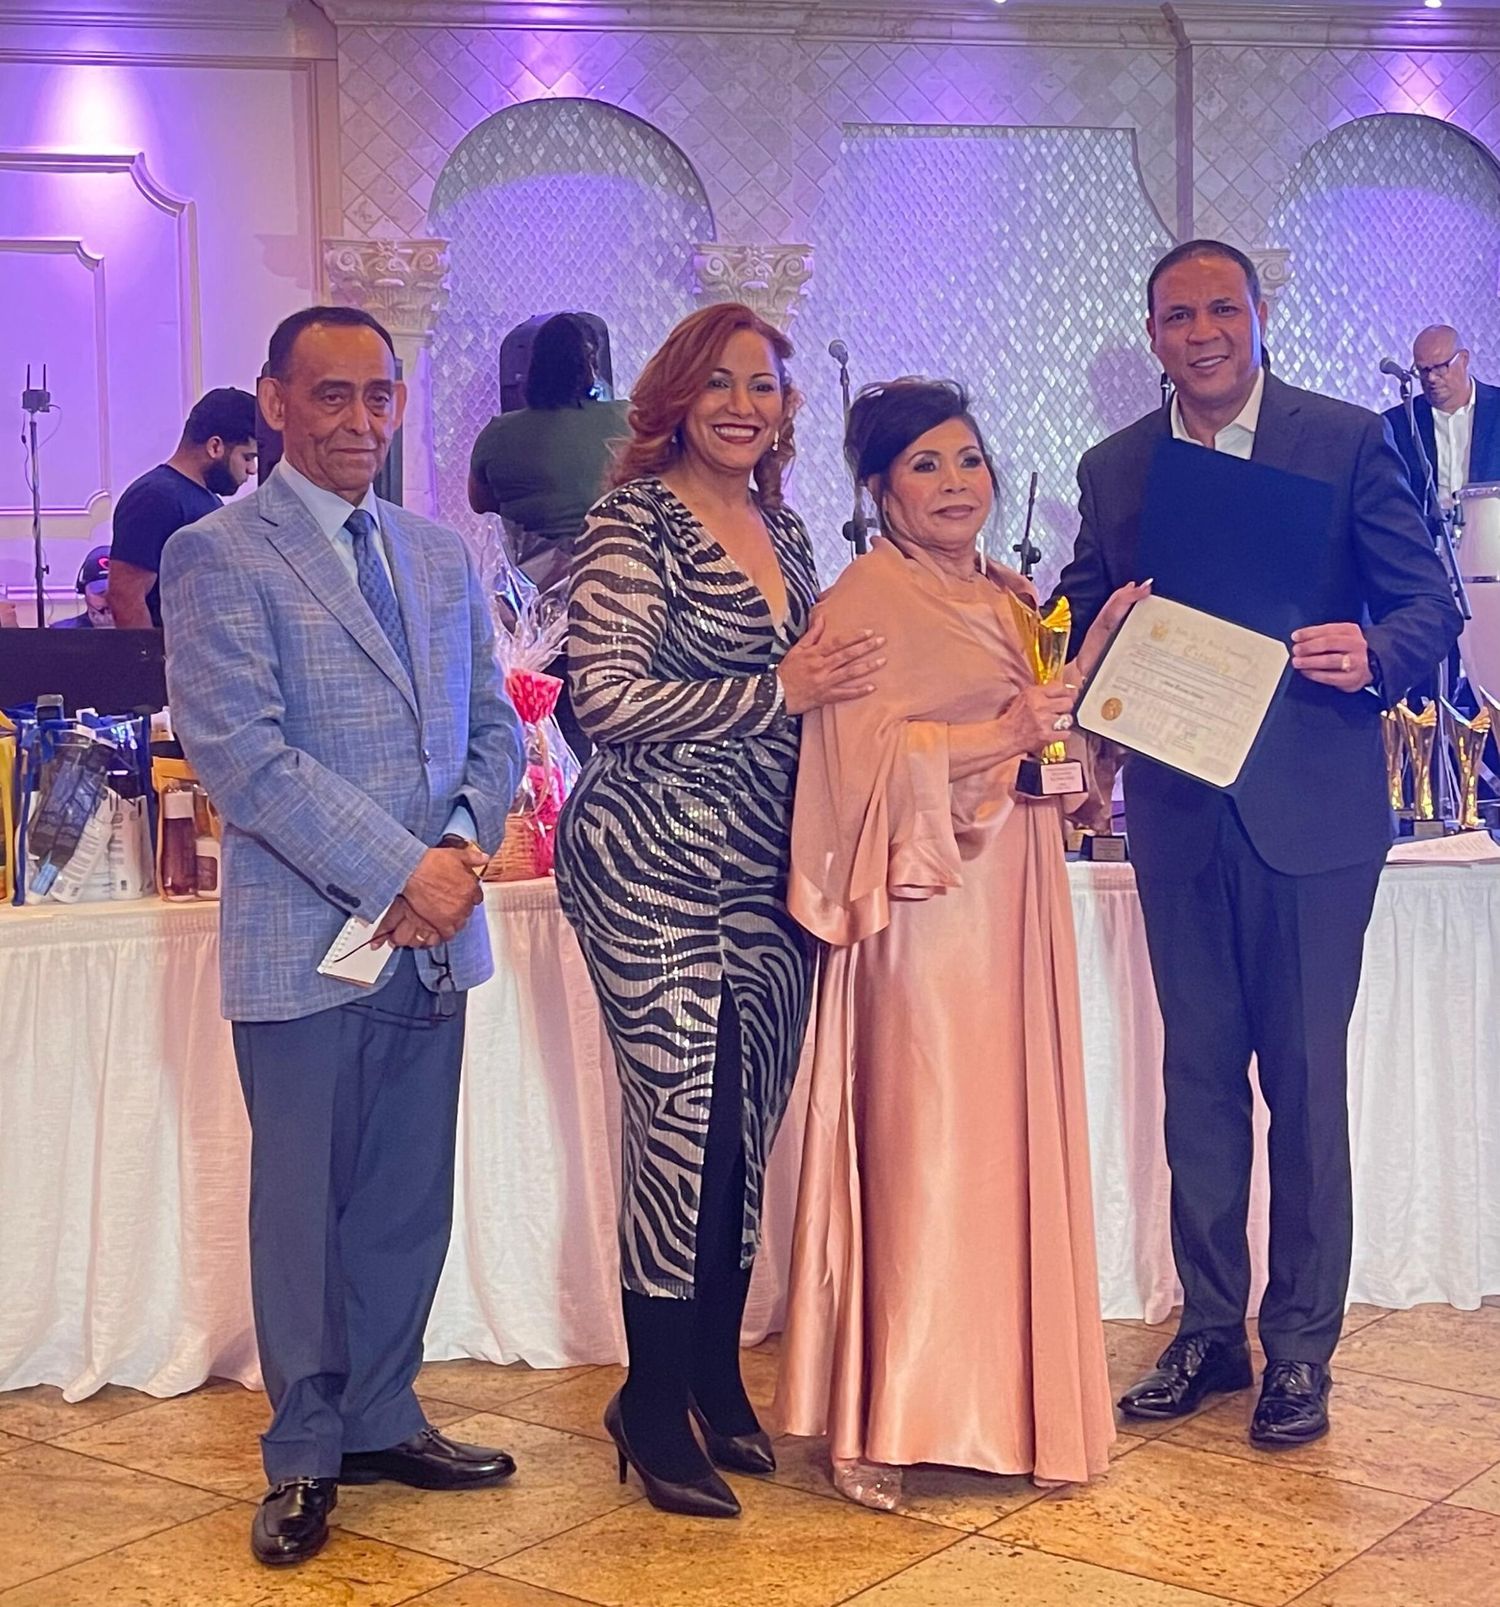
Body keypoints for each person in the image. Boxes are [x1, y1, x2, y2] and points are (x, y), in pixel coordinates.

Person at [1055, 240, 1460, 1449]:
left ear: (1260, 314)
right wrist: (1089, 632)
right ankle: (1208, 1331)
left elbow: (1429, 605)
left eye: (1222, 309)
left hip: (1312, 812)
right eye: (1179, 316)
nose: (1203, 333)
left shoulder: (1344, 439)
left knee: (1305, 1085)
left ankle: (1300, 1350)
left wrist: (1374, 651)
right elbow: (1080, 613)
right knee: (1196, 1082)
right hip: (1179, 812)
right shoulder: (1116, 465)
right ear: (1154, 333)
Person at [159, 305, 526, 1568]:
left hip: (435, 936)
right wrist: (403, 872)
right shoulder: (218, 553)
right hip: (307, 938)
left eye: (379, 395)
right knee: (303, 1210)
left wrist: (458, 853)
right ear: (273, 401)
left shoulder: (435, 551)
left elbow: (495, 726)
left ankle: (382, 1414)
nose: (361, 420)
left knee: (404, 1198)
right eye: (330, 394)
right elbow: (244, 757)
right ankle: (306, 1450)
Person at [774, 378, 1141, 1509]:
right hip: (919, 913)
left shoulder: (1009, 596)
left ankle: (1011, 1405)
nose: (955, 484)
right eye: (925, 464)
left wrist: (1091, 696)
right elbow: (851, 768)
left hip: (1015, 897)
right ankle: (882, 1416)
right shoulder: (863, 599)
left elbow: (1044, 756)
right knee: (922, 1146)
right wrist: (1005, 729)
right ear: (878, 485)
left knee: (1007, 1147)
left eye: (969, 460)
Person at [554, 302, 884, 1520]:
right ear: (677, 397)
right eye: (722, 383)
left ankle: (710, 1373)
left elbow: (840, 676)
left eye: (765, 385)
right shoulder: (632, 521)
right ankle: (649, 1400)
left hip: (767, 864)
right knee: (680, 1120)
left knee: (744, 1126)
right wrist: (773, 689)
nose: (745, 405)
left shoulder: (788, 527)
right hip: (647, 859)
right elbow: (606, 697)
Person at [470, 313, 630, 757]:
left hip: (533, 603)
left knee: (549, 724)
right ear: (591, 365)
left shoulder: (500, 433)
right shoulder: (625, 419)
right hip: (617, 592)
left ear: (531, 368)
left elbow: (480, 502)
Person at [109, 386, 259, 627]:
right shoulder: (155, 497)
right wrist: (150, 653)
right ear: (215, 447)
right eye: (247, 457)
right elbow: (125, 596)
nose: (252, 469)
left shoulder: (206, 500)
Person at [1383, 325, 1500, 513]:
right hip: (1424, 529)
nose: (1431, 378)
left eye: (1440, 368)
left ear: (1463, 359)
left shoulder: (1495, 409)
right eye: (1423, 370)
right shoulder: (1399, 423)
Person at [50, 547, 113, 629]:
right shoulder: (61, 632)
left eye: (117, 593)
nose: (109, 599)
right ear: (84, 591)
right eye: (100, 593)